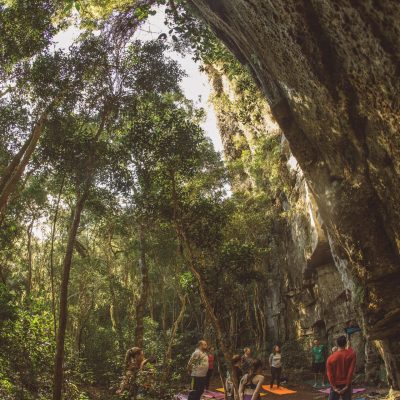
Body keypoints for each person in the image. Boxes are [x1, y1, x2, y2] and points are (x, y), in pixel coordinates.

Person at [326, 335, 356, 400]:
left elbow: (329, 374)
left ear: (337, 344)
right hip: (346, 384)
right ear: (346, 343)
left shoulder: (330, 358)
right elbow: (350, 372)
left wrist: (334, 388)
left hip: (335, 384)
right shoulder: (352, 354)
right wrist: (347, 386)